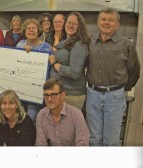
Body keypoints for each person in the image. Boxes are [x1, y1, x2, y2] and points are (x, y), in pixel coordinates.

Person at [86, 8, 141, 146]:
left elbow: (135, 69)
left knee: (111, 140)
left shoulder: (126, 44)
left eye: (111, 20)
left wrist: (122, 89)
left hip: (114, 97)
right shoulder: (90, 42)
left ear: (117, 24)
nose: (106, 23)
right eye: (103, 19)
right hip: (92, 95)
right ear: (98, 22)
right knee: (93, 138)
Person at [49, 11, 90, 110]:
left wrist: (54, 63)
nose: (71, 26)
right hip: (61, 93)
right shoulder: (66, 42)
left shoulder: (79, 44)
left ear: (80, 26)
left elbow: (74, 72)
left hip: (71, 95)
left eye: (75, 24)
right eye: (69, 22)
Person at [16, 18, 52, 122]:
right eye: (28, 28)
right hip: (20, 87)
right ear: (24, 31)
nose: (31, 30)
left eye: (34, 28)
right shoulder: (20, 44)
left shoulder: (46, 47)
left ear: (38, 30)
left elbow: (48, 68)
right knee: (19, 115)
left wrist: (33, 54)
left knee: (31, 117)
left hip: (36, 90)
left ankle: (30, 137)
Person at [35, 78, 89, 146]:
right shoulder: (41, 115)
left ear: (62, 95)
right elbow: (40, 145)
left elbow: (82, 146)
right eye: (46, 95)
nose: (49, 99)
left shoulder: (76, 115)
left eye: (53, 95)